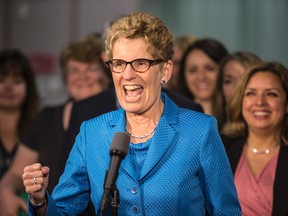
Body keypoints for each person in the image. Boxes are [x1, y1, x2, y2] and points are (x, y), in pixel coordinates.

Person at [22, 12, 241, 215]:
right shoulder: (93, 132)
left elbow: (226, 212)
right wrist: (40, 200)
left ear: (165, 70)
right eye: (118, 63)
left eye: (140, 63)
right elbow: (63, 210)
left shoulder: (200, 130)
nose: (127, 74)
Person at [0, 35, 111, 215]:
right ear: (66, 78)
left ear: (107, 76)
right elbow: (15, 173)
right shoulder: (46, 118)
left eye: (91, 69)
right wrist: (5, 190)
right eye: (74, 70)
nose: (82, 76)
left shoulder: (119, 119)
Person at [221, 62, 288, 216]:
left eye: (271, 94)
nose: (259, 102)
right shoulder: (221, 148)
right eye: (251, 93)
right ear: (241, 101)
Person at [0, 49, 40, 214]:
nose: (8, 87)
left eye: (16, 81)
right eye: (2, 80)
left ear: (28, 87)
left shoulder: (39, 127)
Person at [177, 38, 229, 128]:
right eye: (193, 70)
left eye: (209, 68)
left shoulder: (238, 123)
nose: (201, 77)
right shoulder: (171, 119)